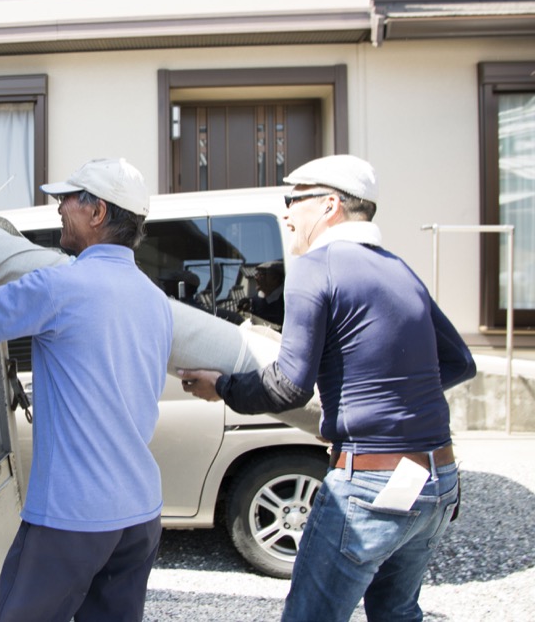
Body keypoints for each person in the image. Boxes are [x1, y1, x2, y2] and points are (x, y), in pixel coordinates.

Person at [176, 155, 476, 622]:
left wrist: (224, 387)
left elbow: (288, 387)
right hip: (438, 479)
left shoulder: (318, 267)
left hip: (372, 482)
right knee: (397, 613)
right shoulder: (399, 269)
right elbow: (459, 361)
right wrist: (382, 405)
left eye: (293, 200)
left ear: (330, 204)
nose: (286, 213)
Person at [0, 158, 174, 622]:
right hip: (140, 513)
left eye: (69, 199)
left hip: (73, 517)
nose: (59, 208)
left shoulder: (63, 286)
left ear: (97, 212)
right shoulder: (155, 300)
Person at [238, 259, 285, 326]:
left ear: (275, 278)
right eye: (257, 274)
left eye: (261, 274)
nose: (256, 278)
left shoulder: (287, 301)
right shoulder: (254, 301)